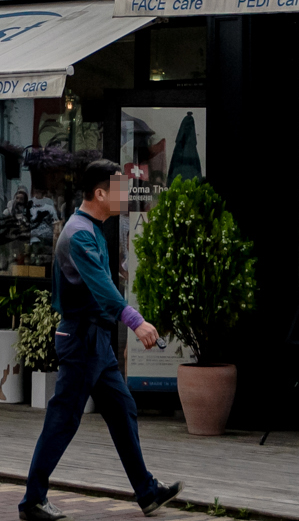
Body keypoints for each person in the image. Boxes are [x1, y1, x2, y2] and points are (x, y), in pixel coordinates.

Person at [18, 158, 182, 521]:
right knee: (63, 419)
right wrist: (136, 322)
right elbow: (103, 288)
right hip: (81, 340)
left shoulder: (91, 229)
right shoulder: (78, 234)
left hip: (96, 341)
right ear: (100, 193)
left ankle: (147, 492)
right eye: (120, 189)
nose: (126, 195)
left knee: (122, 410)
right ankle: (32, 501)